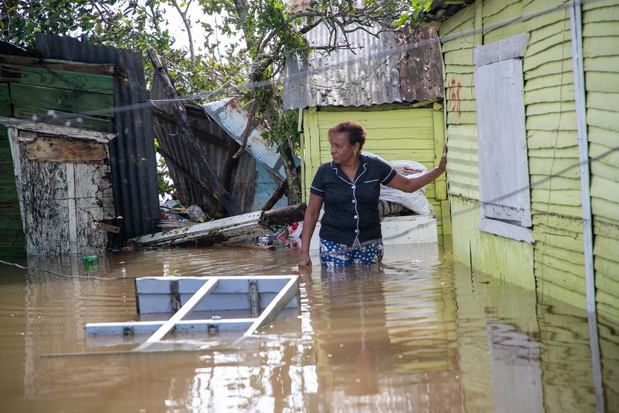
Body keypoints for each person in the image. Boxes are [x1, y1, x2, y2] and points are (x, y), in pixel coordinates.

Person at [297, 121, 447, 269]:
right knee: (337, 290)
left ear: (355, 147)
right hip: (333, 244)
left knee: (371, 289)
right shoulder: (325, 173)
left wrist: (438, 170)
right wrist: (304, 253)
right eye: (332, 145)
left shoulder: (375, 167)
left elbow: (408, 186)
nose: (332, 150)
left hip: (370, 243)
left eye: (338, 146)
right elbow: (312, 213)